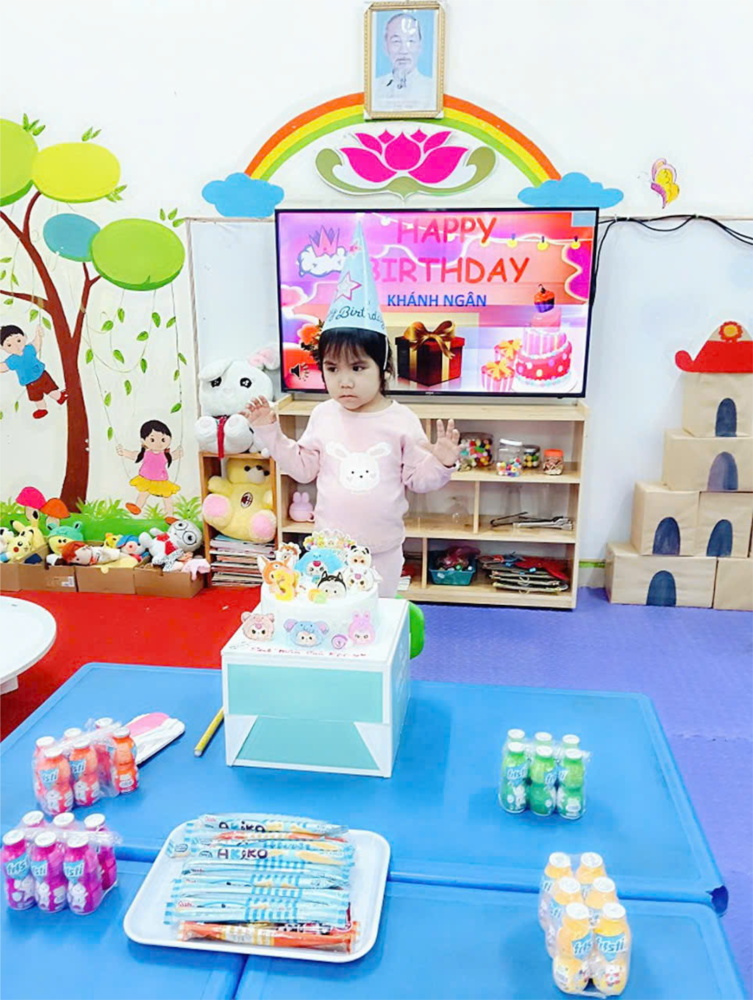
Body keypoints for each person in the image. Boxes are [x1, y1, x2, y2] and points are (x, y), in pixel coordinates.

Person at [243, 222, 460, 597]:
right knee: (332, 613)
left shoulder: (401, 420)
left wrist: (441, 461)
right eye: (332, 369)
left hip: (383, 550)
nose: (344, 381)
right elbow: (303, 469)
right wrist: (269, 433)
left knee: (377, 615)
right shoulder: (323, 415)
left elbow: (418, 481)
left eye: (358, 368)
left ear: (383, 368)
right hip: (329, 549)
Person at [116, 419, 183, 517]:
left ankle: (170, 515)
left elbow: (174, 456)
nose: (158, 444)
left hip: (161, 481)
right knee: (143, 493)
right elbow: (134, 455)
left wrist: (178, 453)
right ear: (143, 441)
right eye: (152, 440)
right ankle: (137, 507)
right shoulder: (146, 454)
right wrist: (124, 452)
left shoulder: (165, 456)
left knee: (167, 497)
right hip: (146, 479)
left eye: (163, 440)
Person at [0, 323, 68, 419]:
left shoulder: (29, 349)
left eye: (18, 340)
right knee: (37, 398)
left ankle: (60, 397)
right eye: (9, 345)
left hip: (42, 375)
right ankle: (42, 409)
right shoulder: (12, 360)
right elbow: (3, 367)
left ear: (24, 337)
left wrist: (38, 335)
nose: (16, 346)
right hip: (30, 383)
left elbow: (36, 344)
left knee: (51, 390)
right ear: (2, 347)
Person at [372, 11, 435, 111]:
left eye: (411, 41)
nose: (404, 51)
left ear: (420, 46)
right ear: (385, 46)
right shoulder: (373, 88)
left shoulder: (433, 90)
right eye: (396, 41)